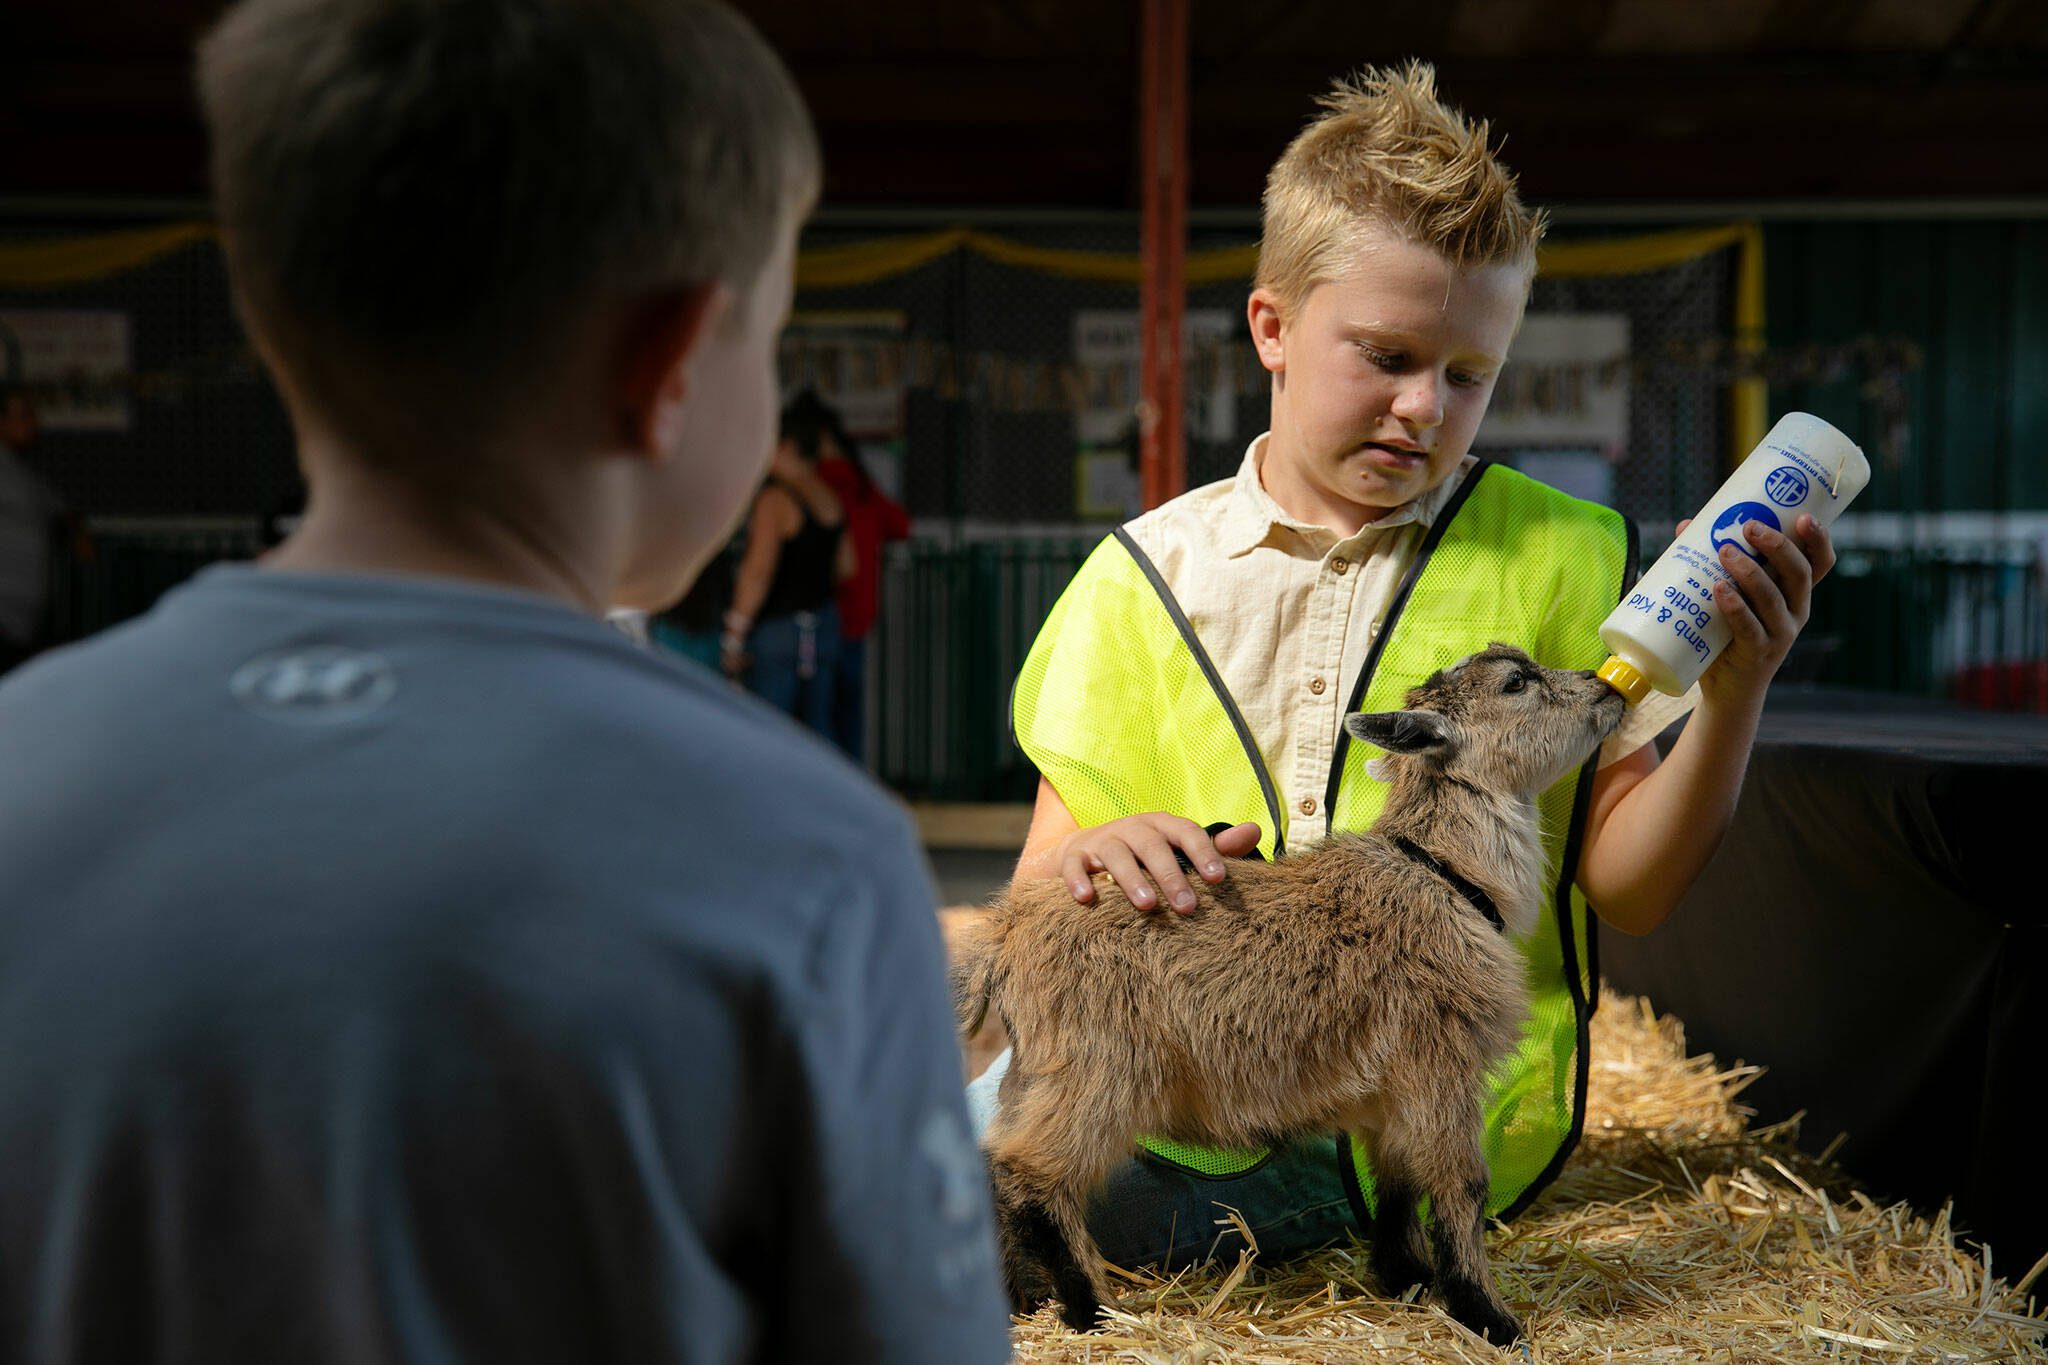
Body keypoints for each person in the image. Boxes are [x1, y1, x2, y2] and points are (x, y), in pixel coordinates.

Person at [0, 2, 1008, 1360]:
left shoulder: (22, 770)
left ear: (269, 311)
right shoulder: (806, 859)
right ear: (668, 368)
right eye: (767, 340)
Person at [974, 62, 1836, 1282]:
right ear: (1270, 327)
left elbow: (1630, 893)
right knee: (929, 1165)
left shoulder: (1563, 552)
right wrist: (1094, 859)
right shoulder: (1137, 579)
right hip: (1199, 1099)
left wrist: (1737, 688)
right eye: (1381, 356)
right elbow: (1043, 888)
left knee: (949, 1221)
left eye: (1468, 374)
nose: (1423, 407)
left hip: (1430, 1112)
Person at [722, 400, 854, 741]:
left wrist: (735, 632)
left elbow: (758, 571)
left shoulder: (774, 501)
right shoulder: (830, 498)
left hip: (779, 630)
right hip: (824, 624)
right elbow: (846, 566)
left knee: (768, 729)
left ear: (786, 446)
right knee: (818, 729)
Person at [807, 392, 911, 764]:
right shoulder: (862, 485)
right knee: (850, 710)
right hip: (862, 611)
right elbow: (900, 525)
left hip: (822, 610)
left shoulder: (814, 484)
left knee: (817, 712)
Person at [0, 382, 63, 673]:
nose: (34, 423)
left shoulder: (22, 471)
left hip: (20, 627)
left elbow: (55, 507)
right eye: (23, 416)